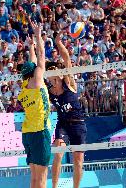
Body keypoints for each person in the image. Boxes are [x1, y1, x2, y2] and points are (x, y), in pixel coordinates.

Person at [46, 31, 87, 188]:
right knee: (58, 152)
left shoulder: (68, 83)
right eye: (51, 71)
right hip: (63, 123)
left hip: (78, 124)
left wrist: (58, 42)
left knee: (78, 160)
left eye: (56, 70)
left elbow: (67, 59)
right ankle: (55, 187)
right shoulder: (49, 91)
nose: (54, 72)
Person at [18, 22, 51, 188]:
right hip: (40, 130)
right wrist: (38, 36)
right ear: (33, 74)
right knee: (42, 177)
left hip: (28, 133)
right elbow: (42, 57)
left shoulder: (24, 86)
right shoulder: (37, 81)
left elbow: (32, 62)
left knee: (34, 178)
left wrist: (31, 47)